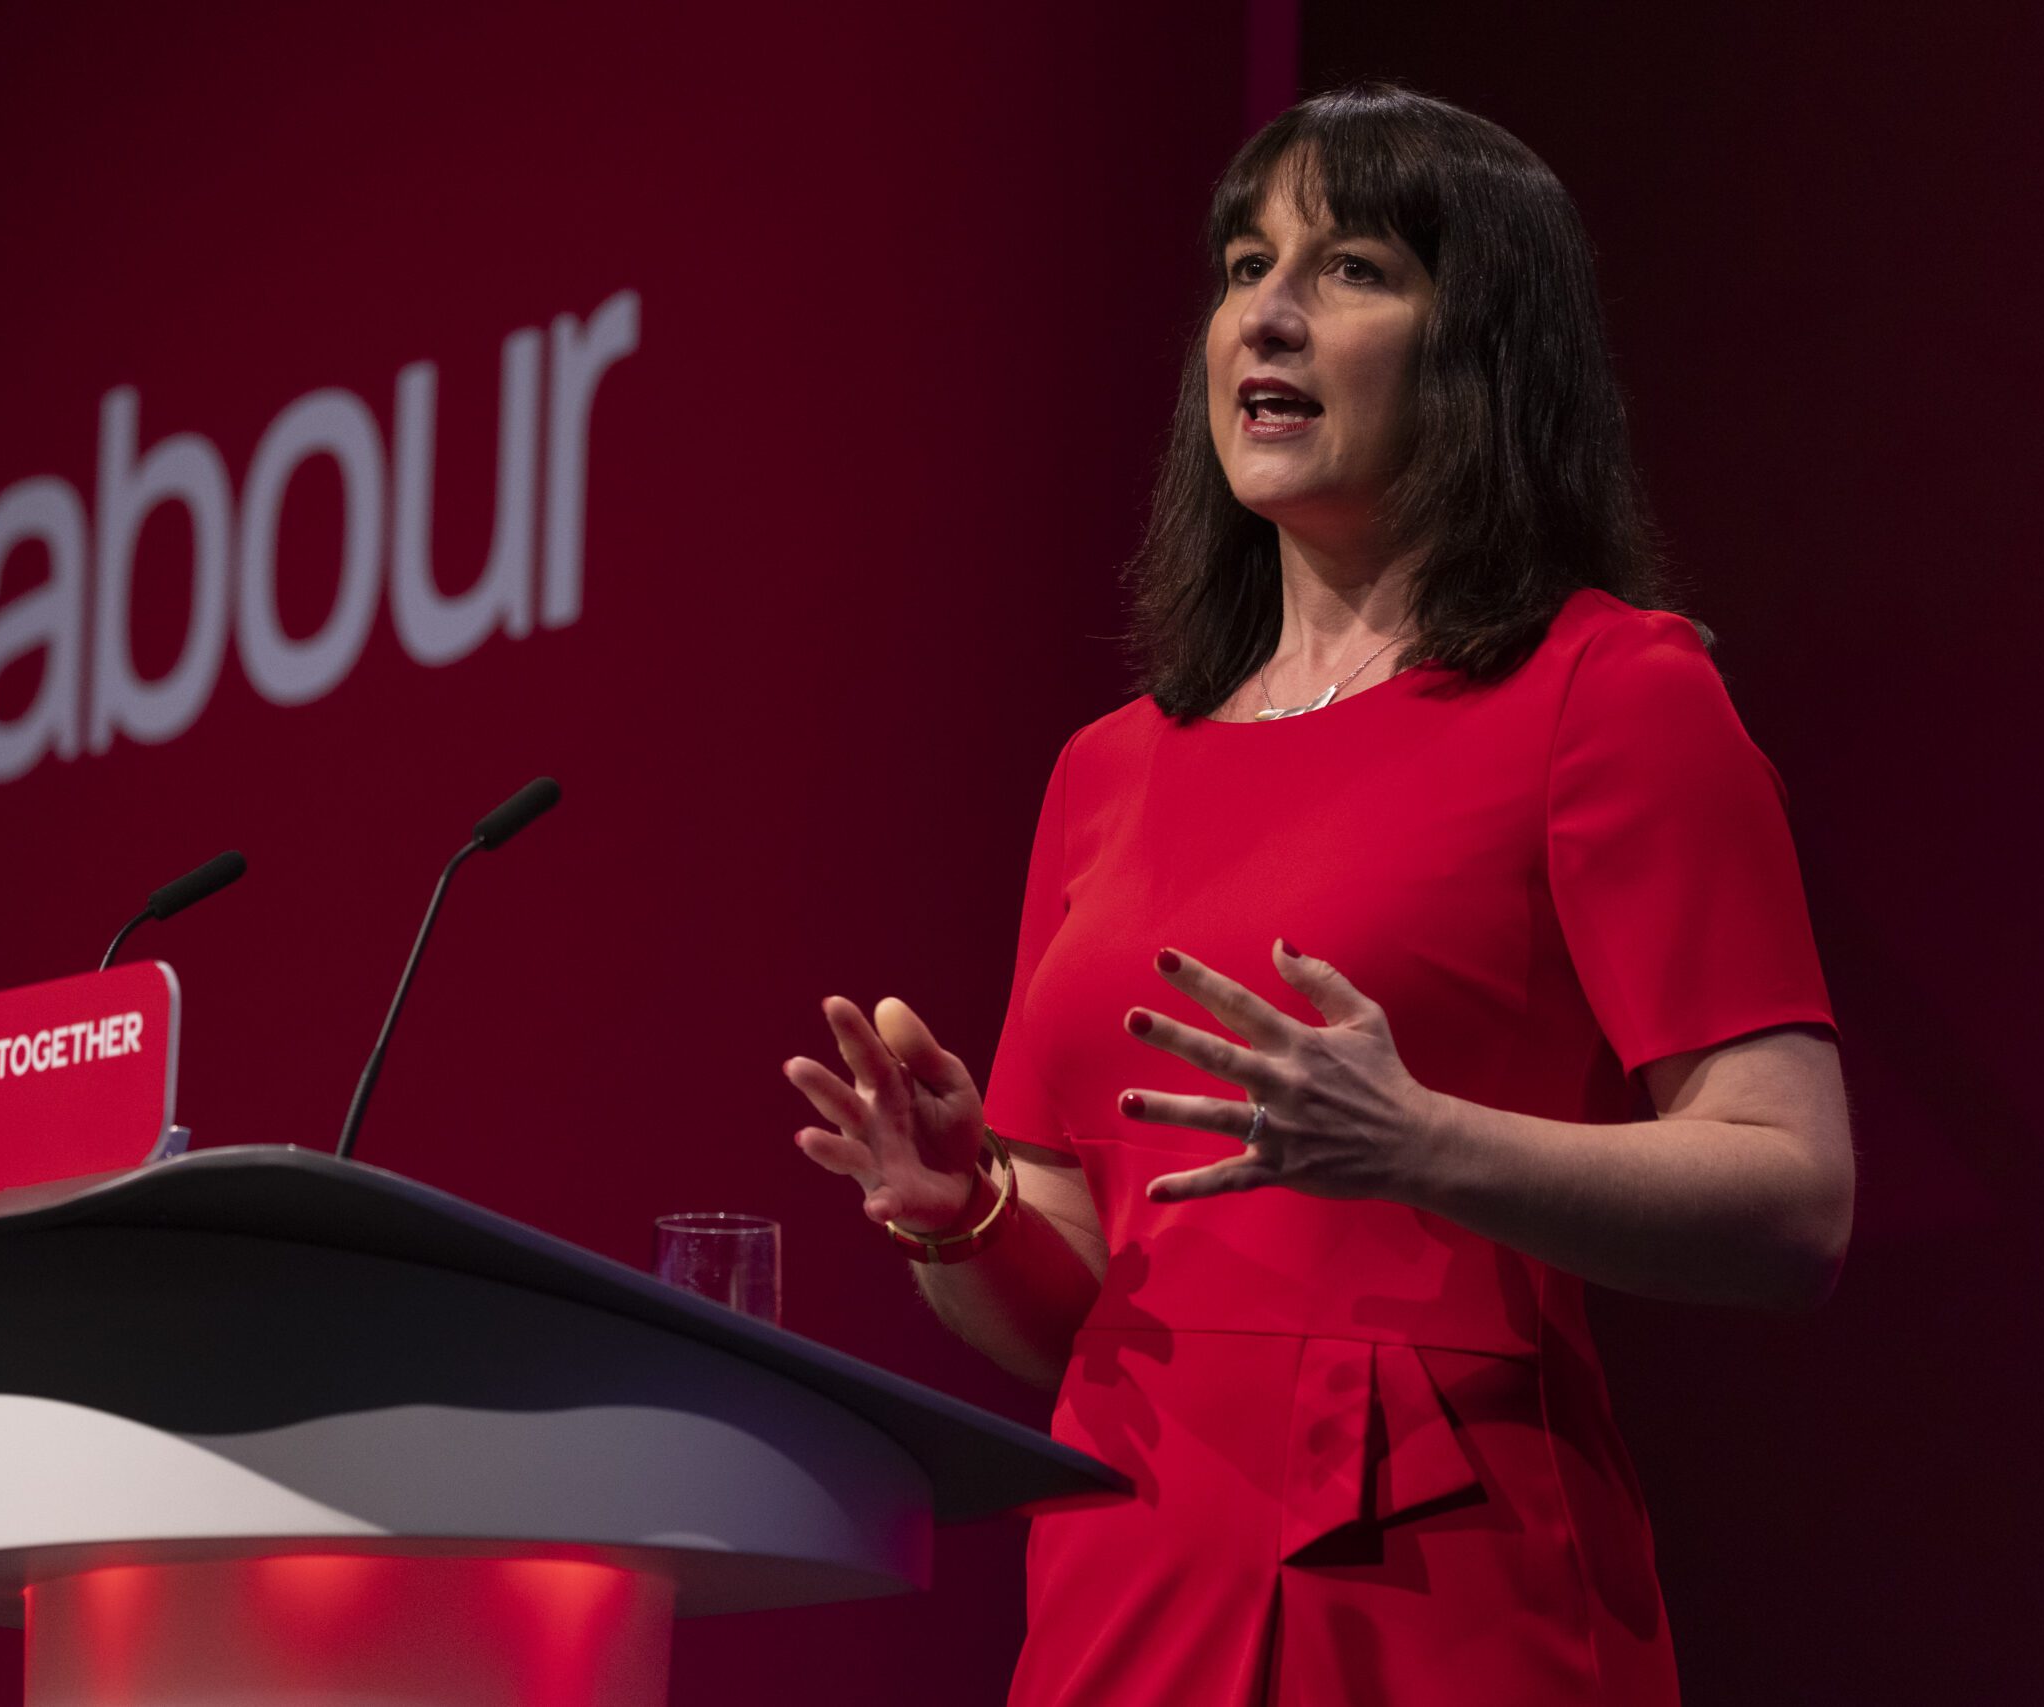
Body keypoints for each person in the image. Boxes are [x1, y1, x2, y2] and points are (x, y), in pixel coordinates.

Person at [781, 83, 1850, 1706]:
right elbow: (1084, 1285)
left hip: (1436, 1587)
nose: (1262, 314)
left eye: (1349, 267)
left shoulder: (1607, 691)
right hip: (1127, 1574)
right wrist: (964, 1212)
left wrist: (1423, 1145)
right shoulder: (1109, 768)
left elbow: (1793, 1201)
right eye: (1241, 263)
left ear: (1480, 349)